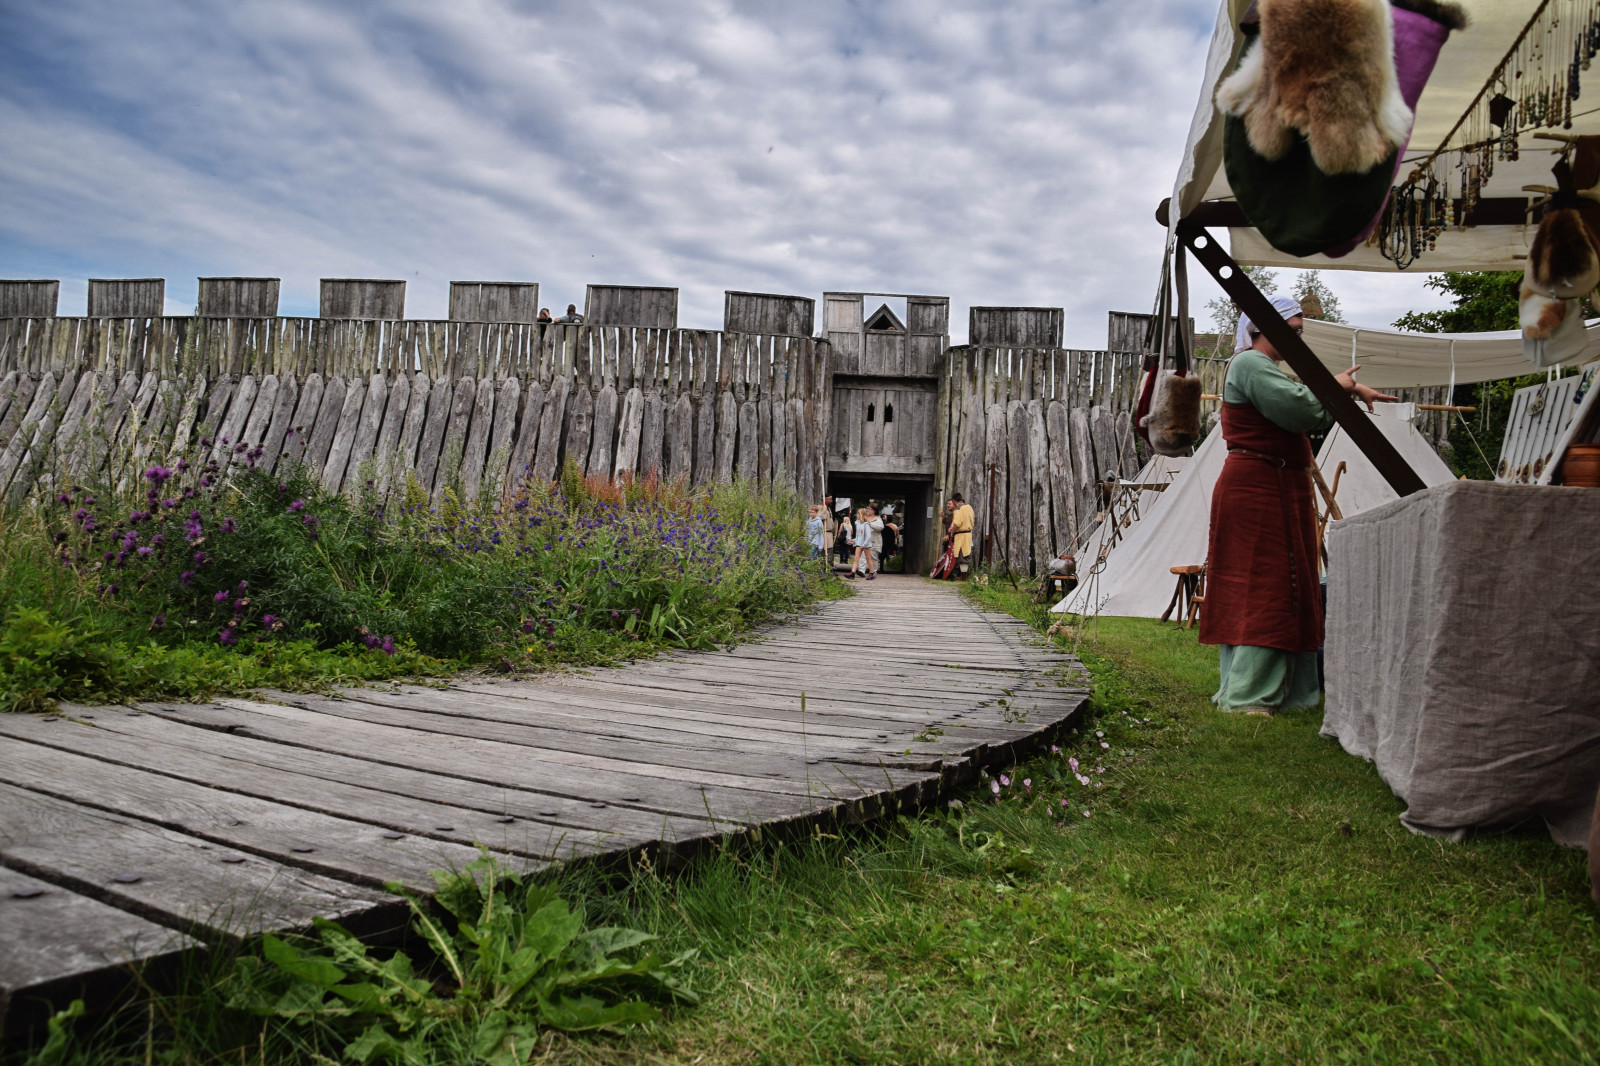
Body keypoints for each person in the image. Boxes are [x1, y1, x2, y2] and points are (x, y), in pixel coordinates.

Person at [1199, 294, 1396, 715]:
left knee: (1288, 584)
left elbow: (1303, 398)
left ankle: (1283, 690)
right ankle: (1249, 695)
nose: (1298, 339)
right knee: (1264, 584)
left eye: (1300, 332)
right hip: (1257, 486)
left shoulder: (1266, 369)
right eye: (1291, 332)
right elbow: (1300, 409)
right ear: (1261, 329)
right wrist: (1337, 389)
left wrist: (1351, 388)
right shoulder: (1250, 362)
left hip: (1277, 483)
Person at [945, 493, 975, 579]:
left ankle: (963, 577)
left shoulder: (958, 509)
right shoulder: (969, 507)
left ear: (954, 501)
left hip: (961, 535)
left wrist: (952, 531)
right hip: (968, 534)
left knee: (961, 556)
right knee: (966, 554)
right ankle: (963, 576)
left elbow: (957, 523)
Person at [862, 504, 885, 578]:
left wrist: (870, 524)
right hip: (864, 541)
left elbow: (881, 528)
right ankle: (861, 571)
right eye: (867, 508)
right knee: (862, 556)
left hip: (874, 541)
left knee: (873, 557)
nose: (868, 510)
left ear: (874, 511)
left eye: (870, 509)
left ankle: (873, 572)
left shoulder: (878, 519)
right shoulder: (865, 518)